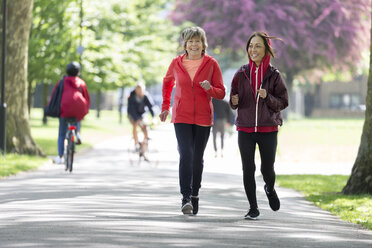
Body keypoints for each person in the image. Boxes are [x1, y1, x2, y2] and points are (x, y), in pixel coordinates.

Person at [159, 26, 225, 215]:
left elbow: (221, 92)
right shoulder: (176, 63)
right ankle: (185, 197)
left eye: (197, 41)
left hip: (204, 116)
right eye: (190, 41)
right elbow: (167, 84)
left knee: (197, 158)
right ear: (185, 45)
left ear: (203, 44)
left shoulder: (211, 63)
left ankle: (195, 194)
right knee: (186, 154)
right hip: (181, 115)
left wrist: (209, 88)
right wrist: (165, 107)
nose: (194, 44)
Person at [229, 31, 288, 220]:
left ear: (266, 50)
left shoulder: (274, 75)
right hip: (245, 128)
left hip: (268, 128)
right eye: (251, 46)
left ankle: (269, 188)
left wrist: (267, 97)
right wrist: (234, 100)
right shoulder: (241, 73)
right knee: (248, 168)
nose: (253, 49)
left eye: (258, 46)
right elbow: (233, 100)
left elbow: (283, 101)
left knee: (267, 169)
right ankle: (253, 208)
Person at [53, 61, 90, 165]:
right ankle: (77, 133)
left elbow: (55, 96)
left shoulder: (62, 82)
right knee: (77, 116)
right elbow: (86, 97)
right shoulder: (81, 83)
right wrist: (85, 109)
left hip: (64, 109)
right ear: (78, 72)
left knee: (61, 134)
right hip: (78, 108)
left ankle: (60, 157)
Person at [127, 83, 154, 150]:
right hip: (132, 115)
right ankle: (136, 143)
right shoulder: (132, 96)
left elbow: (151, 107)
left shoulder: (146, 96)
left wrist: (153, 117)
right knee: (135, 125)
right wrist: (137, 119)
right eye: (139, 90)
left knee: (145, 127)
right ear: (136, 90)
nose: (140, 92)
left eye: (142, 91)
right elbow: (131, 109)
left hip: (142, 114)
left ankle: (144, 145)